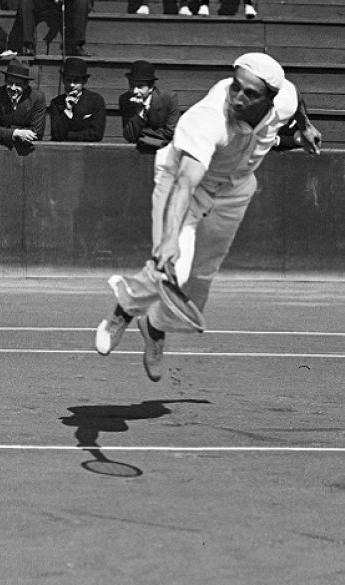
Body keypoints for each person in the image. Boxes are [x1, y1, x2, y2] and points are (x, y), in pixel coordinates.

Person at [94, 52, 321, 381]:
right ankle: (124, 310)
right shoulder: (208, 117)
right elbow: (185, 183)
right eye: (236, 87)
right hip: (184, 183)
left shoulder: (282, 99)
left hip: (236, 189)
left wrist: (306, 126)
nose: (238, 97)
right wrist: (170, 239)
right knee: (173, 269)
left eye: (250, 94)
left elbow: (294, 95)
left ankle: (154, 328)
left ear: (270, 99)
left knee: (198, 286)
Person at [0, 57, 47, 154]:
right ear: (5, 81)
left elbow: (37, 132)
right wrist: (16, 133)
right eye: (10, 83)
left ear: (25, 85)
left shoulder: (37, 98)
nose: (13, 88)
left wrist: (3, 132)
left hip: (27, 152)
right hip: (1, 150)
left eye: (18, 84)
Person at [119, 60, 180, 153]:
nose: (135, 91)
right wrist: (139, 112)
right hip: (138, 154)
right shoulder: (125, 99)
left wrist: (143, 136)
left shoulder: (169, 99)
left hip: (164, 152)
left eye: (140, 86)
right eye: (132, 85)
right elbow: (130, 136)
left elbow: (170, 133)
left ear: (151, 87)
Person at [48, 56, 105, 142]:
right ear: (63, 80)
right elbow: (56, 134)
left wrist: (68, 135)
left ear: (84, 81)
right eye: (68, 80)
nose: (71, 85)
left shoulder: (96, 101)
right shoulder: (56, 103)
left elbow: (96, 134)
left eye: (76, 81)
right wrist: (67, 111)